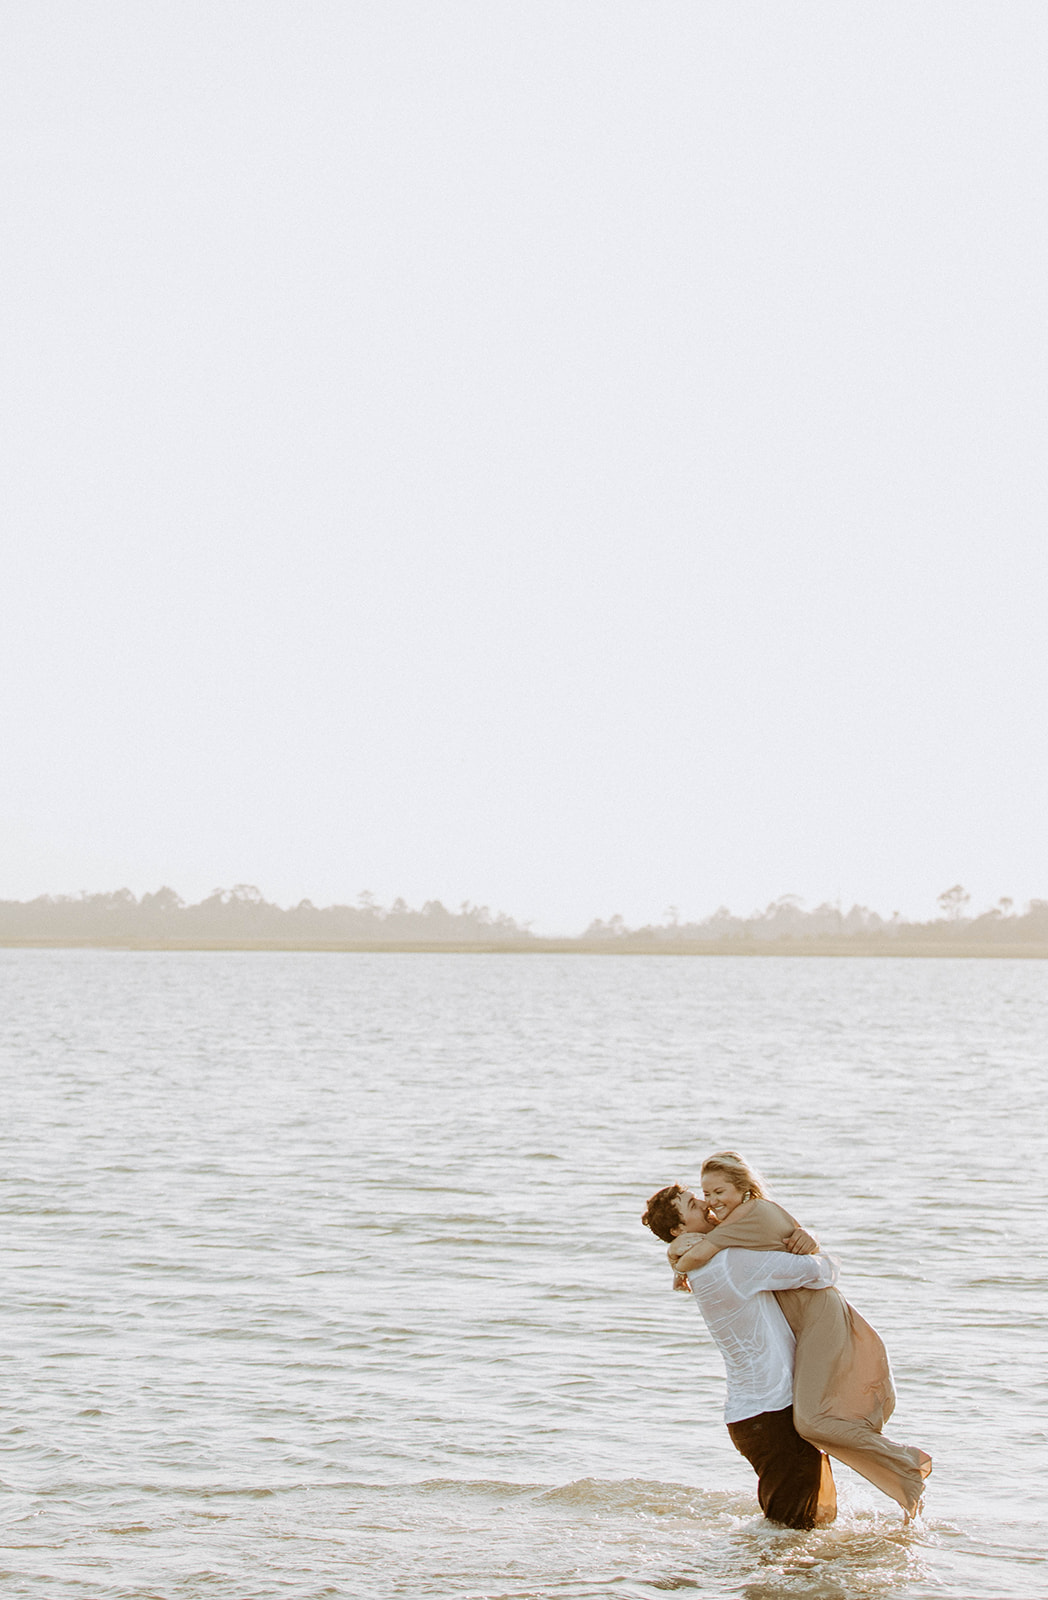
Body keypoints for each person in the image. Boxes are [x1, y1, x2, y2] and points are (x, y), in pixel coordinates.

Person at [643, 1153, 931, 1521]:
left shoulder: (706, 1266)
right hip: (773, 1415)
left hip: (752, 1416)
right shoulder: (732, 1263)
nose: (708, 1205)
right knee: (791, 1539)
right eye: (695, 1204)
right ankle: (907, 1468)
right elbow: (820, 1271)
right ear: (679, 1231)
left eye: (707, 1195)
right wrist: (812, 1245)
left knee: (797, 1528)